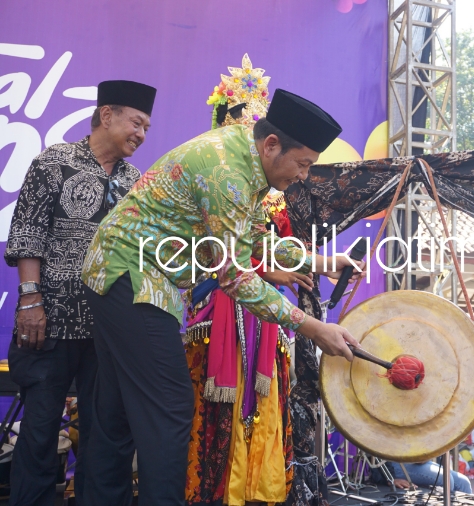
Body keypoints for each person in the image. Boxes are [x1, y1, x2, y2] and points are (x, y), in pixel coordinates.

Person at [80, 88, 364, 506]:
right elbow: (235, 276)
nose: (303, 175)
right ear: (272, 145)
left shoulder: (244, 157)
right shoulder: (227, 173)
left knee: (116, 414)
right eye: (302, 164)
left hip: (117, 273)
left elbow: (251, 239)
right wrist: (313, 328)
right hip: (133, 275)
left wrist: (322, 261)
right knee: (171, 410)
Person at [4, 80, 155, 506]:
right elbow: (28, 235)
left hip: (108, 329)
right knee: (39, 430)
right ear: (106, 116)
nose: (141, 135)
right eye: (136, 123)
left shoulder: (134, 181)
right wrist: (31, 302)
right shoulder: (54, 162)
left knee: (105, 434)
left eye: (146, 128)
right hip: (49, 320)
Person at [182, 56, 312, 505]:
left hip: (261, 307)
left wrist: (302, 264)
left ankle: (258, 487)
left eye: (252, 118)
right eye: (238, 119)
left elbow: (272, 248)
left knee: (265, 395)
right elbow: (210, 253)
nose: (245, 127)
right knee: (212, 399)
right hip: (218, 296)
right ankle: (213, 489)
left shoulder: (269, 198)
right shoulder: (216, 178)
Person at [388, 460, 472, 494]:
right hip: (393, 464)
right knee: (447, 479)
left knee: (463, 482)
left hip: (414, 459)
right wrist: (388, 478)